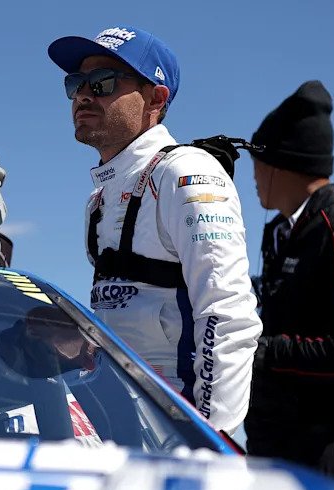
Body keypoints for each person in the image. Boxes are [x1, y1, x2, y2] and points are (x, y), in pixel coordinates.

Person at [47, 25, 262, 435]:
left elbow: (228, 314)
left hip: (179, 429)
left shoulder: (186, 173)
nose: (83, 95)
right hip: (122, 423)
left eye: (102, 82)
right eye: (75, 83)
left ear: (156, 99)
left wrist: (208, 439)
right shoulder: (98, 199)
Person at [245, 80, 334, 483]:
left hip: (329, 457)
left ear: (280, 163)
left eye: (257, 160)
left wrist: (269, 351)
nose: (253, 174)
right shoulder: (282, 233)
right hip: (280, 450)